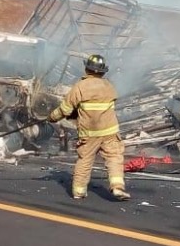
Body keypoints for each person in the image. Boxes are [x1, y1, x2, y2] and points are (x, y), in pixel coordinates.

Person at [47, 54, 130, 201]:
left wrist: (51, 117)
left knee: (85, 160)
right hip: (110, 131)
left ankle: (79, 192)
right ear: (103, 71)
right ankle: (117, 187)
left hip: (90, 133)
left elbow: (65, 110)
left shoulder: (80, 87)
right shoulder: (109, 86)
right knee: (114, 158)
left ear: (87, 69)